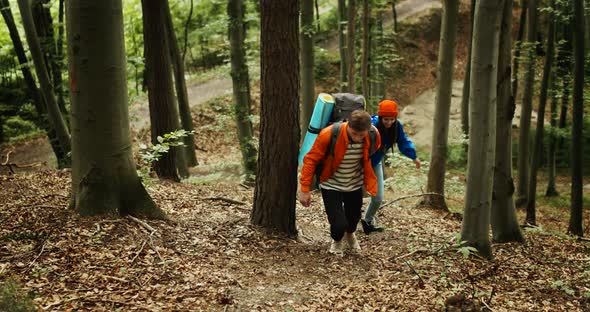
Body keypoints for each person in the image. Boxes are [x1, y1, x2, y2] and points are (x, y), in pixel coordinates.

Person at [299, 110, 381, 255]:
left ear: (368, 130)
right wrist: (304, 189)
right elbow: (311, 160)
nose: (357, 138)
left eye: (361, 135)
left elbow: (372, 152)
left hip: (354, 184)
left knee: (354, 218)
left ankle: (350, 234)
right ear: (347, 125)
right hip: (331, 184)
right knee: (338, 224)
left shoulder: (373, 135)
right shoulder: (329, 134)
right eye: (354, 133)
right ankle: (337, 241)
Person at [361, 99, 421, 234]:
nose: (389, 122)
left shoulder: (396, 126)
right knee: (352, 194)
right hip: (360, 164)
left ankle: (367, 221)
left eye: (392, 119)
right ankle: (344, 220)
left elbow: (403, 141)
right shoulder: (372, 126)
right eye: (386, 119)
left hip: (375, 163)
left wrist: (414, 157)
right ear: (381, 117)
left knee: (378, 198)